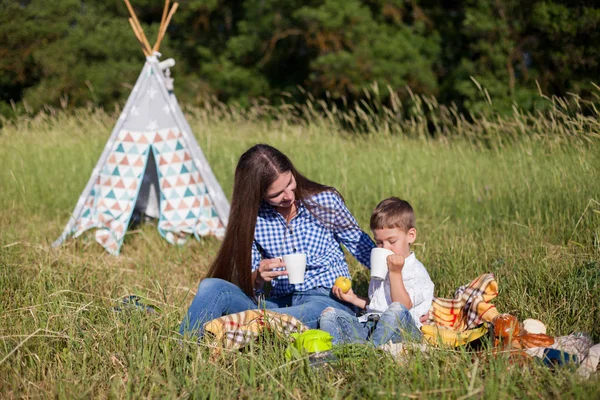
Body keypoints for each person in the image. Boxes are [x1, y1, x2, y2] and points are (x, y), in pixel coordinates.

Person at [179, 144, 374, 337]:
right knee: (212, 287)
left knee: (272, 316)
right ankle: (186, 346)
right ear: (258, 194)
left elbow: (363, 247)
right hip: (281, 301)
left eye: (289, 183)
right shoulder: (253, 220)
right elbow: (251, 285)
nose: (288, 196)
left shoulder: (325, 201)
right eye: (276, 194)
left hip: (327, 299)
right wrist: (259, 277)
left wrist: (399, 275)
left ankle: (236, 326)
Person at [319, 197, 434, 346]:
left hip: (402, 330)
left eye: (392, 242)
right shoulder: (382, 266)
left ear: (410, 236)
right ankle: (334, 352)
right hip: (371, 326)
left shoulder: (417, 273)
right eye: (379, 242)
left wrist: (395, 273)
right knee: (329, 315)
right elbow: (378, 305)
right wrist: (354, 299)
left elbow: (402, 305)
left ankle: (369, 353)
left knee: (395, 311)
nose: (384, 248)